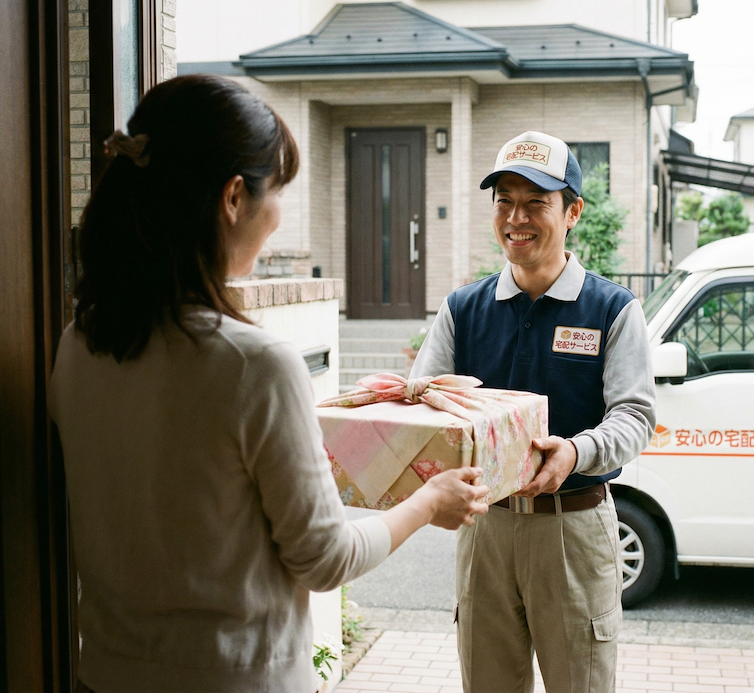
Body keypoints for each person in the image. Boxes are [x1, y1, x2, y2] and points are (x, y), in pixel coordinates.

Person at [48, 74, 488, 693]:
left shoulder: (78, 344)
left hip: (104, 675)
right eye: (277, 191)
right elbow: (325, 558)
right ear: (233, 197)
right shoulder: (253, 365)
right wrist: (427, 503)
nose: (279, 215)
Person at [411, 131, 656, 693]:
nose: (516, 218)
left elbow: (634, 417)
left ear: (572, 212)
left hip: (573, 529)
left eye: (536, 203)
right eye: (505, 201)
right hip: (485, 531)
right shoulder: (463, 309)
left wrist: (576, 451)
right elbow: (425, 405)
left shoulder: (612, 309)